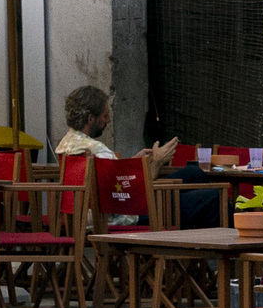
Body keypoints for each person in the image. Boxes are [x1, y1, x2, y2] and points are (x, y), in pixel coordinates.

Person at [54, 84, 222, 225]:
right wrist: (156, 162)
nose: (108, 121)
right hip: (126, 213)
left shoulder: (67, 144)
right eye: (105, 116)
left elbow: (108, 178)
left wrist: (134, 162)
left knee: (193, 173)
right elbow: (129, 191)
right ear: (90, 118)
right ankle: (228, 256)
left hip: (106, 207)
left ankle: (197, 250)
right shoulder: (96, 149)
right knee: (213, 198)